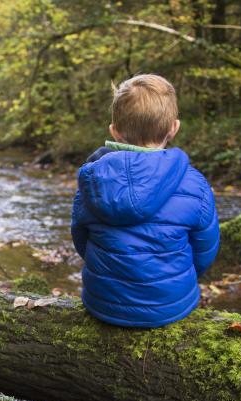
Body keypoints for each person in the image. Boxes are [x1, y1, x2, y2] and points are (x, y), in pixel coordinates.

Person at [71, 74, 219, 328]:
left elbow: (81, 240)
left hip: (103, 303)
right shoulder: (194, 183)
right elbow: (205, 249)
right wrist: (179, 276)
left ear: (114, 131)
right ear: (174, 127)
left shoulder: (92, 180)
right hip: (170, 305)